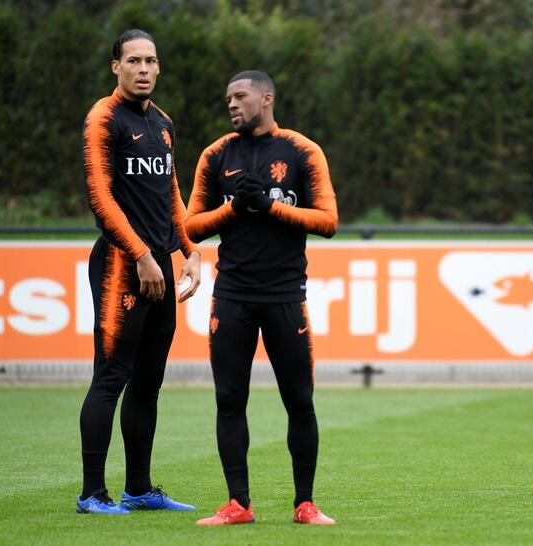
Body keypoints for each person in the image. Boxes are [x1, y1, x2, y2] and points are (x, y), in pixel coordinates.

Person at [186, 70, 338, 526]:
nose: (231, 105)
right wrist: (234, 207)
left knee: (300, 401)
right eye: (227, 98)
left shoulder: (301, 150)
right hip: (231, 295)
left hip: (285, 296)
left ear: (266, 98)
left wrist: (270, 206)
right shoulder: (216, 154)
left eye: (240, 96)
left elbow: (329, 220)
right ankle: (238, 504)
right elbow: (190, 226)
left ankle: (305, 504)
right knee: (230, 399)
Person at [77, 29, 201, 515]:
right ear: (116, 67)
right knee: (111, 378)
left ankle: (139, 489)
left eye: (151, 61)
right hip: (118, 265)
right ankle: (91, 494)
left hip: (160, 268)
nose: (144, 69)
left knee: (149, 380)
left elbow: (171, 192)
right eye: (134, 61)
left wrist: (189, 248)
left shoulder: (164, 123)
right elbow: (100, 198)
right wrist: (143, 255)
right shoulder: (102, 119)